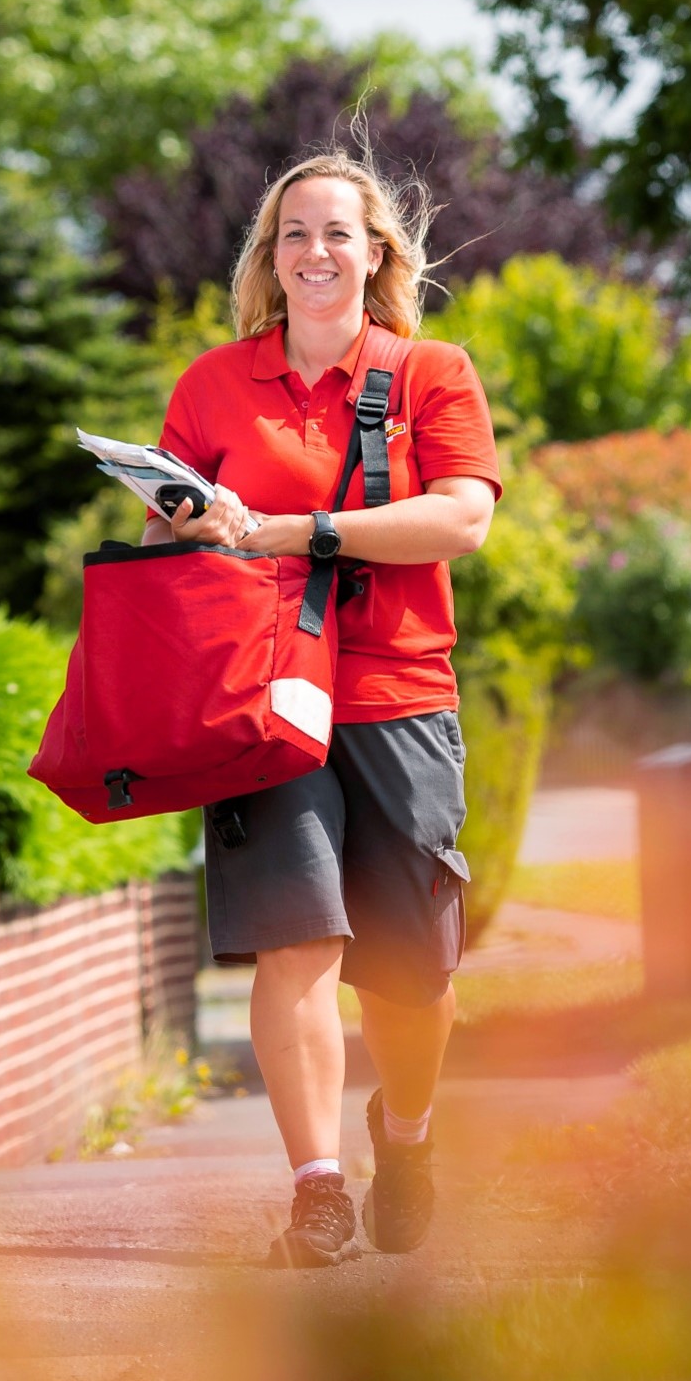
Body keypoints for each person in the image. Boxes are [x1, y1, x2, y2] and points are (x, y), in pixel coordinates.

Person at [149, 149, 499, 1266]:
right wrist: (187, 521)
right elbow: (168, 532)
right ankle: (316, 1189)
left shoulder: (431, 372)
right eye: (293, 233)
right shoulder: (212, 386)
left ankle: (405, 1134)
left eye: (336, 232)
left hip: (397, 694)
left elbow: (459, 522)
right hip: (262, 701)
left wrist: (298, 531)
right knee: (293, 943)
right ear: (269, 257)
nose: (314, 252)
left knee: (413, 975)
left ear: (376, 252)